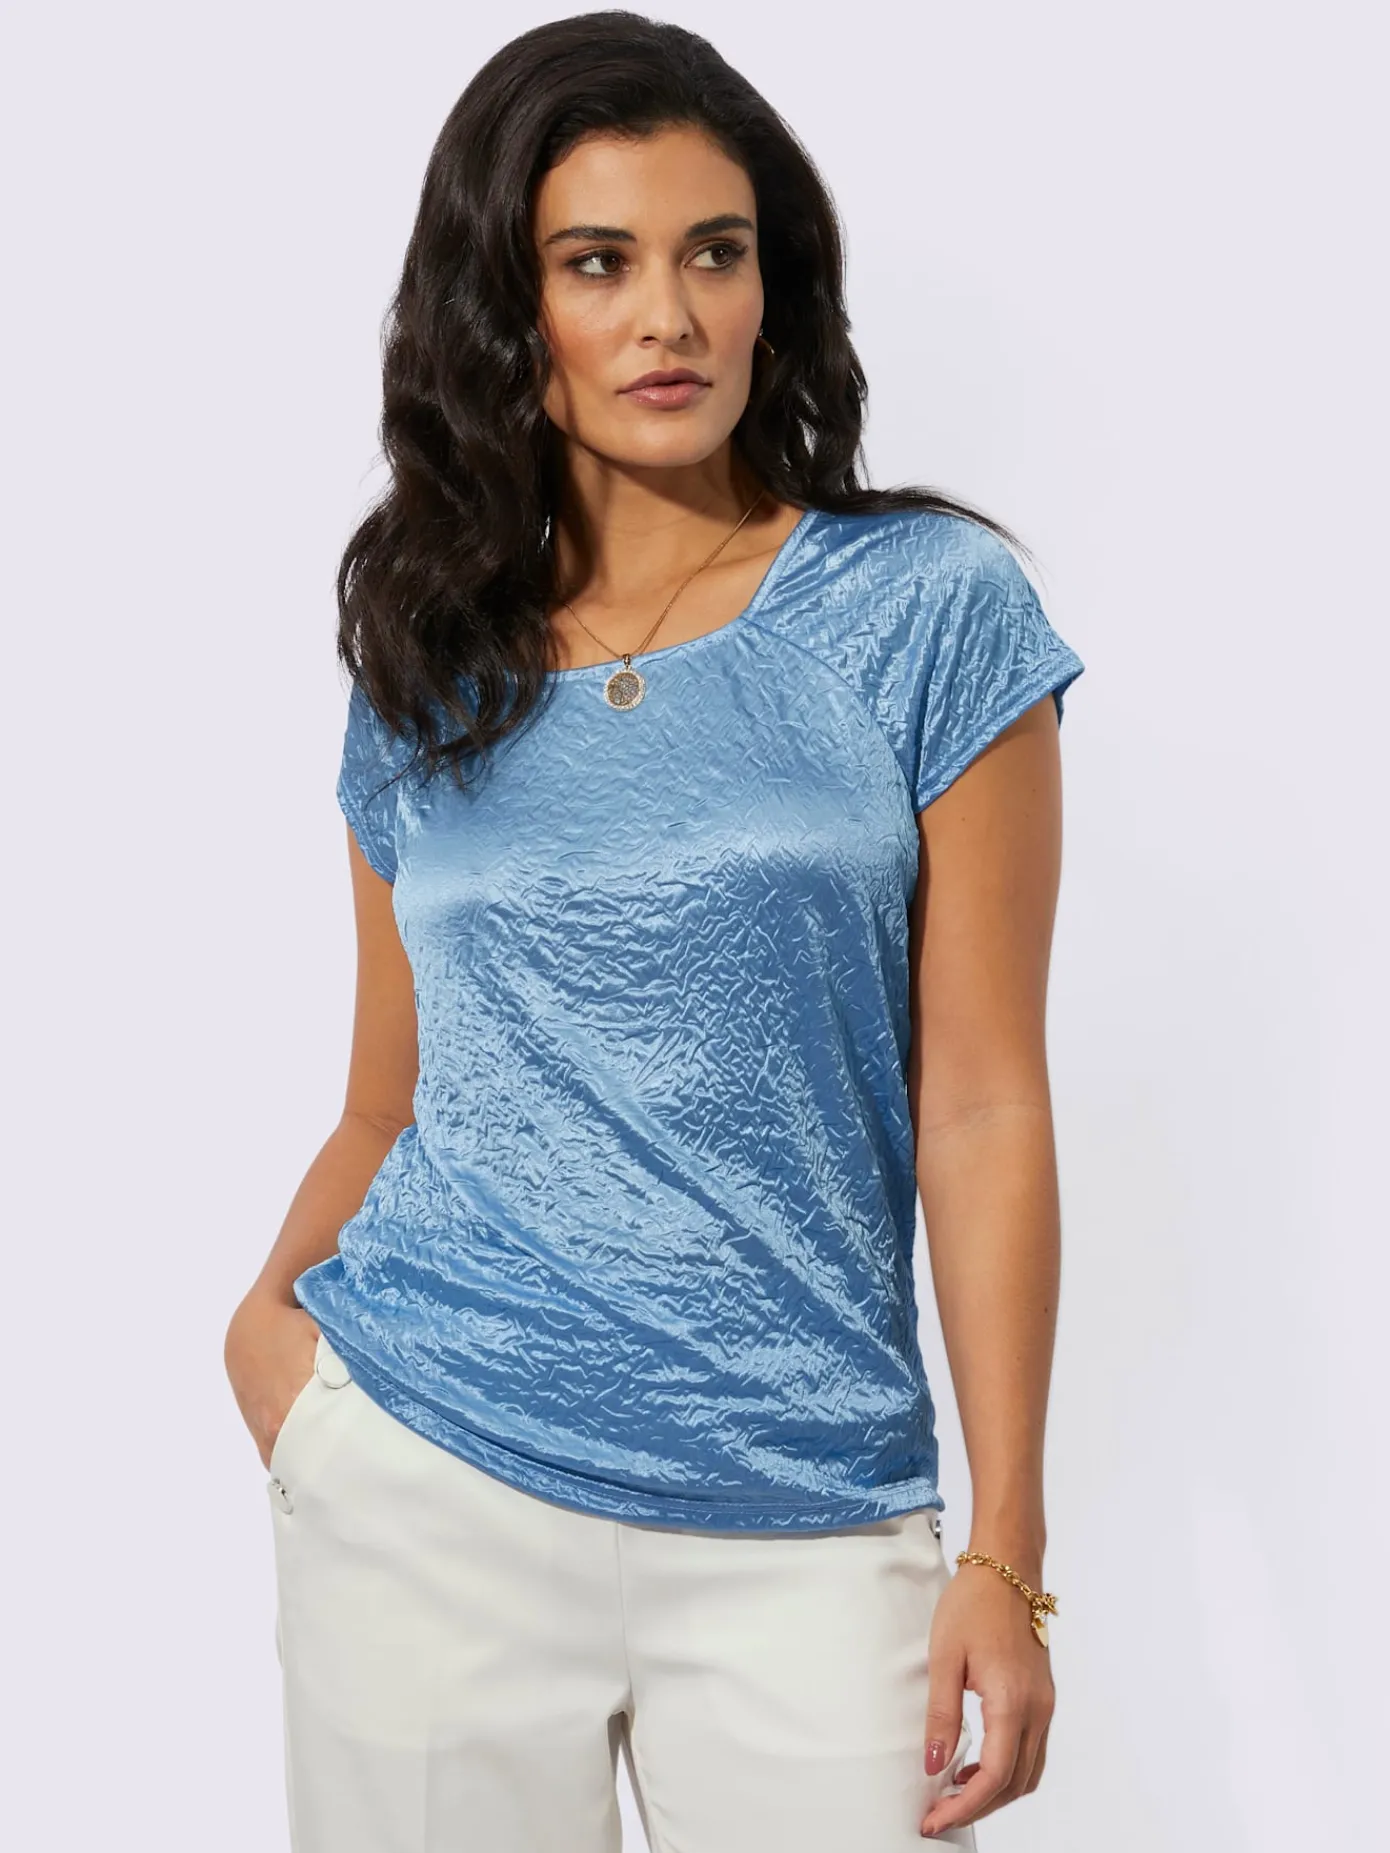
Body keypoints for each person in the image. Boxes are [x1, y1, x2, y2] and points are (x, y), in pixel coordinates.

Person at [223, 11, 1085, 1851]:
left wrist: (1003, 1551)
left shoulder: (923, 610)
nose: (668, 318)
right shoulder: (426, 667)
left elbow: (983, 1102)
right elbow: (387, 1099)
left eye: (715, 252)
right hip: (428, 1484)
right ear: (505, 308)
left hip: (807, 1508)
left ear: (775, 286)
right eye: (596, 263)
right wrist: (270, 1344)